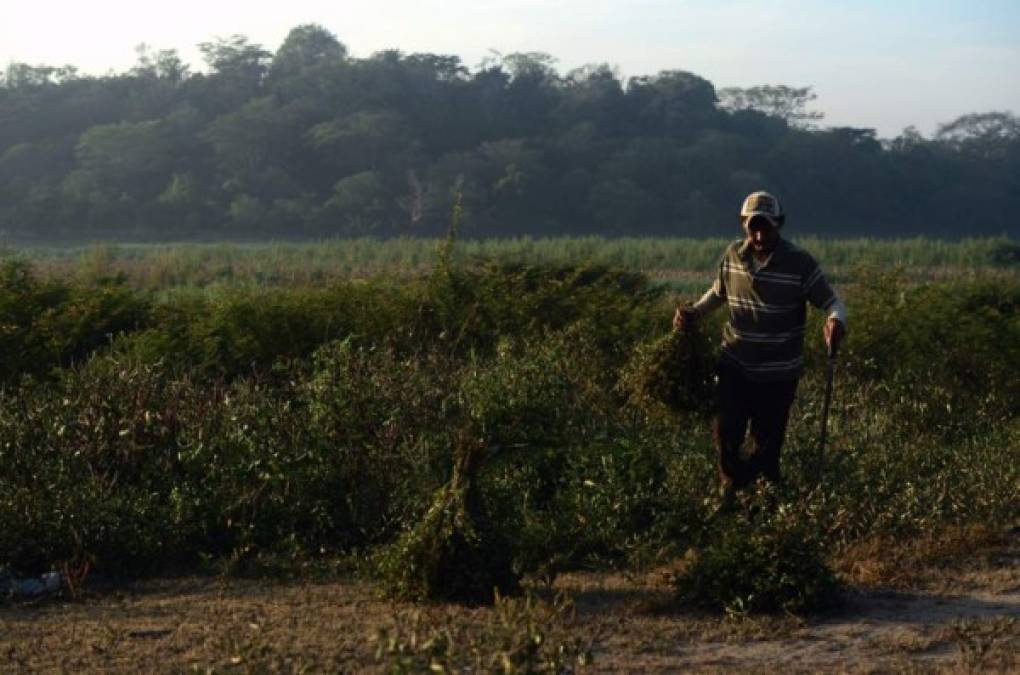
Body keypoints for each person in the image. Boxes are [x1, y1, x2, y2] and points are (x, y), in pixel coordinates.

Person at [673, 191, 846, 507]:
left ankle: (763, 505)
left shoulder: (799, 263)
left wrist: (835, 320)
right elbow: (717, 293)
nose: (760, 235)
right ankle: (731, 494)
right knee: (726, 432)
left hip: (778, 373)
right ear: (744, 225)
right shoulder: (733, 256)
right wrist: (693, 312)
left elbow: (832, 302)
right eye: (753, 227)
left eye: (766, 227)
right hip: (735, 363)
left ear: (778, 225)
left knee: (767, 445)